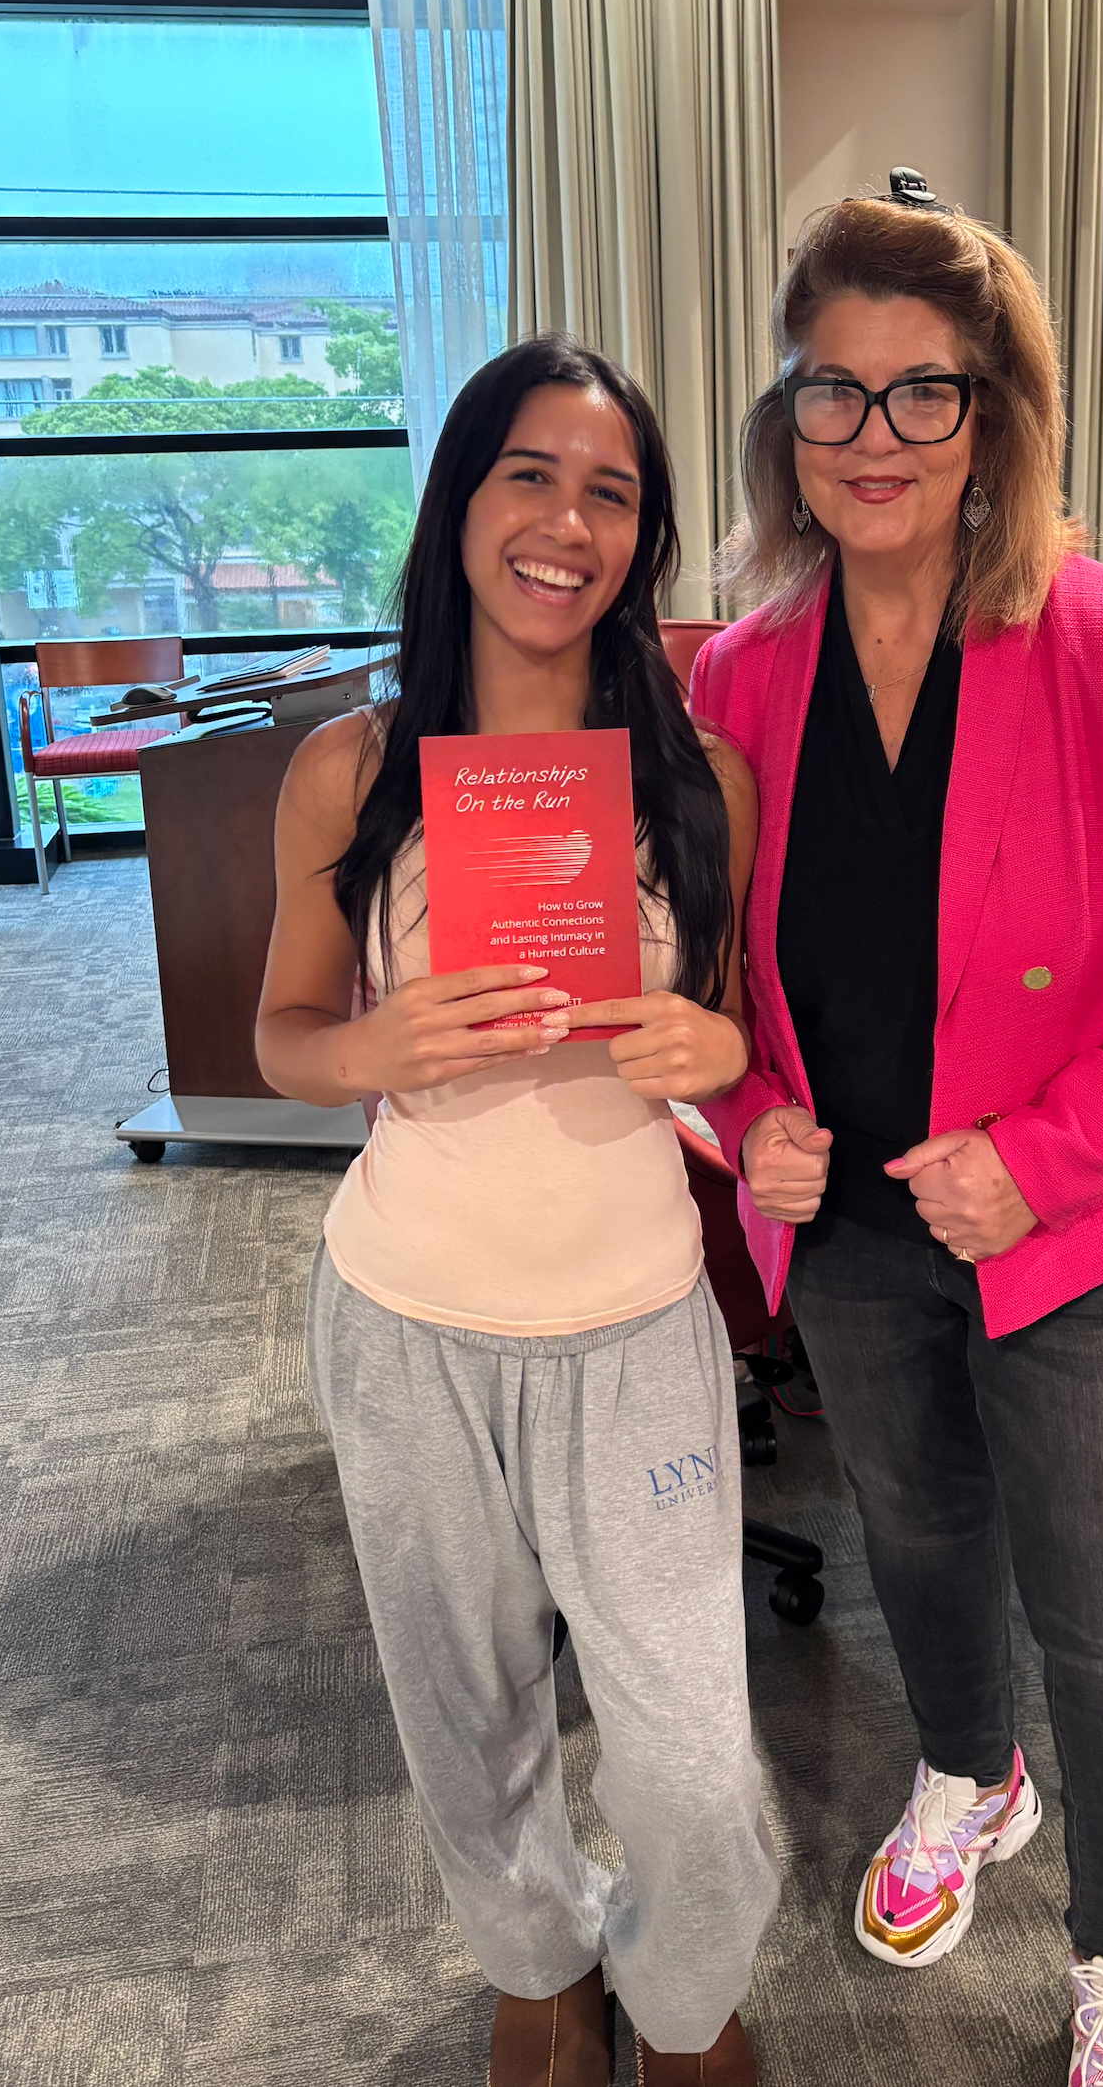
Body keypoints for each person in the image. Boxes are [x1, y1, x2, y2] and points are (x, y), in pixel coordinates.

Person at [690, 195, 1103, 2087]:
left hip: (1083, 1231)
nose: (873, 439)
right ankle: (968, 1770)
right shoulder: (739, 674)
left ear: (997, 417)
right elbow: (691, 982)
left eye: (922, 396)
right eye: (833, 393)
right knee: (922, 1540)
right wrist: (741, 1118)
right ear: (786, 417)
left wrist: (1039, 1154)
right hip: (854, 1231)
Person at [256, 334, 775, 2087]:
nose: (567, 522)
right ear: (460, 503)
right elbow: (279, 1035)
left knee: (694, 1753)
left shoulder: (701, 784)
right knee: (465, 1714)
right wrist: (370, 1047)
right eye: (528, 476)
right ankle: (537, 1956)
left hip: (631, 1325)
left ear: (646, 537)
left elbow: (740, 1053)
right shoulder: (356, 770)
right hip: (407, 1318)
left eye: (611, 492)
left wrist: (713, 1049)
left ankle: (688, 1988)